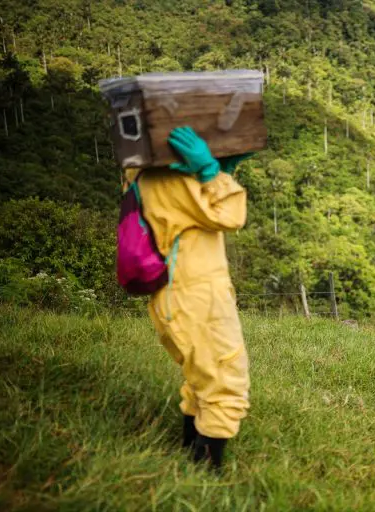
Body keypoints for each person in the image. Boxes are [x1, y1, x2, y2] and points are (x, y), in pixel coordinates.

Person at [125, 127, 252, 470]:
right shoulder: (170, 179)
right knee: (225, 380)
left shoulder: (147, 171)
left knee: (202, 377)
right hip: (193, 296)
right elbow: (230, 216)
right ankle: (204, 476)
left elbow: (194, 214)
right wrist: (212, 171)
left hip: (179, 295)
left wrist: (221, 170)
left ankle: (187, 461)